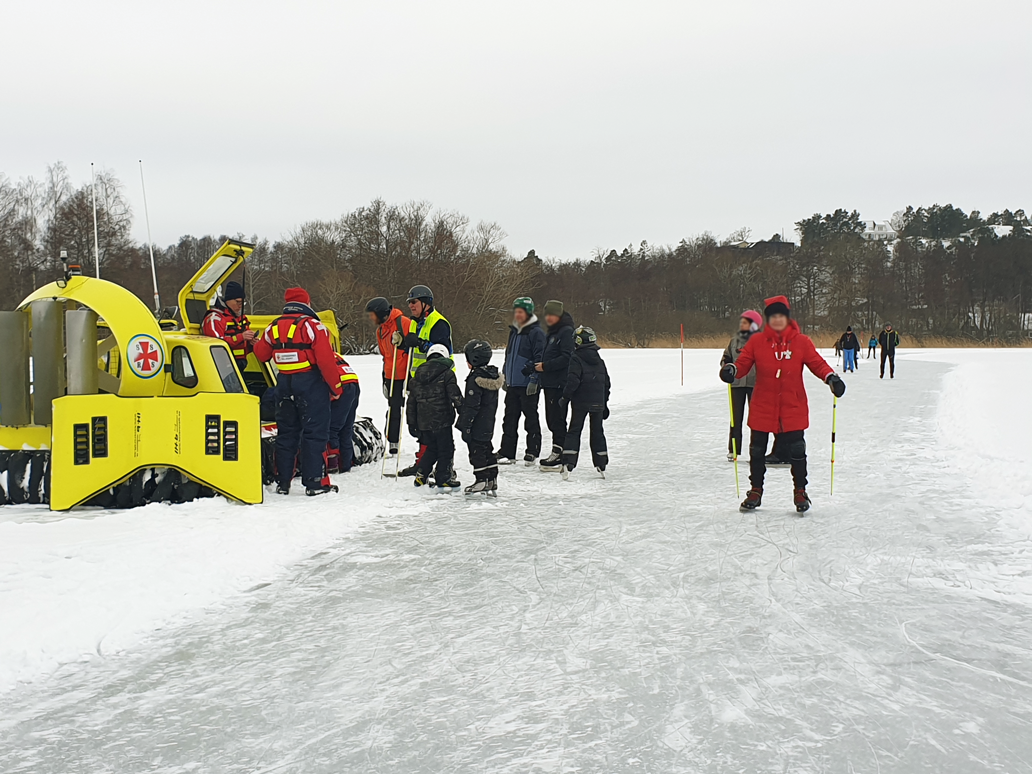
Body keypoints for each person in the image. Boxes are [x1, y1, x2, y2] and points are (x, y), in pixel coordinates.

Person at [720, 295, 845, 513]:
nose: (777, 320)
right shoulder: (757, 342)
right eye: (773, 316)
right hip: (763, 403)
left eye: (781, 316)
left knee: (797, 450)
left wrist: (831, 377)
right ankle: (756, 490)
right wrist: (732, 370)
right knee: (757, 449)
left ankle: (800, 491)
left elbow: (817, 363)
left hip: (792, 404)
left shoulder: (801, 342)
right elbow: (743, 363)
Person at [254, 287, 342, 496]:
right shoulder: (314, 326)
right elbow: (326, 360)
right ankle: (315, 483)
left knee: (286, 434)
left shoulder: (272, 327)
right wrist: (336, 387)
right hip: (310, 384)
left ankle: (283, 482)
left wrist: (253, 342)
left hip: (284, 384)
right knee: (314, 434)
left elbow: (262, 354)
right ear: (306, 304)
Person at [398, 285, 453, 476]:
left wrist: (420, 343)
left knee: (437, 426)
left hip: (438, 381)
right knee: (421, 424)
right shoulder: (415, 323)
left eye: (414, 302)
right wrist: (404, 344)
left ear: (426, 304)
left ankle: (442, 465)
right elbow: (414, 350)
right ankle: (422, 461)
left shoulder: (438, 323)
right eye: (409, 303)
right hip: (420, 381)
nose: (410, 306)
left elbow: (442, 351)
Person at [407, 343, 463, 489]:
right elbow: (454, 395)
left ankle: (421, 474)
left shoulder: (416, 376)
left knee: (432, 448)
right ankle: (443, 477)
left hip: (423, 421)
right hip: (442, 420)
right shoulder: (447, 373)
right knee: (446, 449)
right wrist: (464, 412)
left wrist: (411, 423)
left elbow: (411, 403)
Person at [499, 297, 546, 465]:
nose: (517, 315)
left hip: (528, 384)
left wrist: (534, 379)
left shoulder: (536, 333)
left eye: (521, 312)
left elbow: (540, 357)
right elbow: (509, 356)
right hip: (513, 383)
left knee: (530, 418)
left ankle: (532, 451)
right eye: (516, 311)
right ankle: (507, 452)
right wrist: (505, 375)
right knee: (509, 419)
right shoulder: (514, 331)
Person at [561, 326, 611, 479]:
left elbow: (573, 381)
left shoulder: (576, 358)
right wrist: (604, 402)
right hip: (597, 402)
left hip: (580, 402)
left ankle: (568, 462)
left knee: (574, 430)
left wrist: (565, 397)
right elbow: (606, 383)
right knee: (597, 431)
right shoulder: (599, 360)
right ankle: (601, 461)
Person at [456, 340, 504, 496]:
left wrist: (466, 425)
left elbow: (472, 405)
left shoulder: (475, 379)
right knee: (487, 449)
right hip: (488, 422)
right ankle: (492, 479)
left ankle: (481, 480)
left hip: (476, 423)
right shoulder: (491, 375)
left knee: (476, 451)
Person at [366, 296, 412, 456]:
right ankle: (393, 441)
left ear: (381, 312)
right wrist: (384, 378)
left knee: (413, 408)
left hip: (407, 374)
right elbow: (385, 356)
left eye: (372, 314)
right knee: (393, 408)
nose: (371, 318)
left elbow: (415, 345)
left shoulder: (404, 323)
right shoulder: (380, 330)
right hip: (391, 375)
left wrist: (405, 344)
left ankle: (422, 440)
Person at [535, 300, 575, 471]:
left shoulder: (566, 332)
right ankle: (559, 451)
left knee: (557, 419)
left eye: (552, 315)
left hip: (559, 384)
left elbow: (568, 357)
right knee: (551, 419)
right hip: (550, 383)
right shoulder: (552, 332)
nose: (549, 318)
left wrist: (546, 366)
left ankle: (560, 454)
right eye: (547, 315)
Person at [721, 310, 763, 462]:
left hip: (755, 384)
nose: (741, 325)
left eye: (745, 322)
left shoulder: (762, 341)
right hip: (737, 384)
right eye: (741, 322)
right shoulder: (734, 341)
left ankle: (755, 450)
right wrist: (726, 367)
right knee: (735, 418)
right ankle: (733, 450)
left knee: (756, 419)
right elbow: (726, 357)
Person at [201, 280, 254, 372]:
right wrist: (241, 337)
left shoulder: (241, 318)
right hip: (222, 368)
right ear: (228, 300)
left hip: (240, 364)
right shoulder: (215, 318)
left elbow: (244, 346)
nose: (240, 306)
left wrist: (252, 343)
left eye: (242, 303)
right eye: (238, 302)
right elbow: (216, 344)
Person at [326, 353, 361, 474]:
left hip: (340, 385)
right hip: (353, 382)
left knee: (331, 427)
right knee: (346, 427)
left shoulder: (310, 352)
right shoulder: (334, 354)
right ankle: (346, 464)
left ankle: (332, 464)